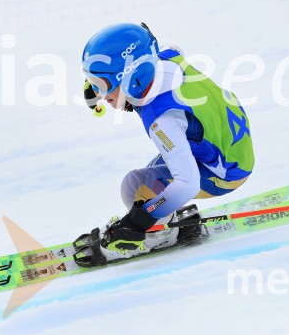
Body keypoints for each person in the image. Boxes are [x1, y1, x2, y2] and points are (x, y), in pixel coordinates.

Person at [80, 23, 254, 261]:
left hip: (224, 173)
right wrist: (101, 88)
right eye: (92, 82)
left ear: (133, 77)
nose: (98, 93)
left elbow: (187, 184)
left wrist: (140, 221)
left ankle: (159, 235)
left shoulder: (164, 120)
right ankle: (164, 215)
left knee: (135, 185)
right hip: (228, 146)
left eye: (101, 85)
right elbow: (168, 48)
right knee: (153, 175)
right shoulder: (166, 58)